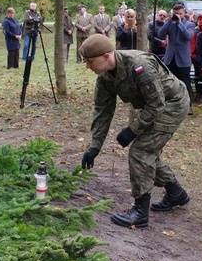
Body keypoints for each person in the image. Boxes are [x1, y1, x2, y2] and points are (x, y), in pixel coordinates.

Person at [78, 35, 191, 229]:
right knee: (148, 154)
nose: (88, 67)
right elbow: (102, 111)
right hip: (155, 106)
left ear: (106, 56)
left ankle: (140, 212)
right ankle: (175, 193)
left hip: (173, 104)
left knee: (141, 152)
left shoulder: (140, 65)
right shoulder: (105, 77)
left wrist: (133, 130)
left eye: (90, 61)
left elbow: (157, 103)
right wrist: (95, 146)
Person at [158, 2, 195, 114]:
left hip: (183, 59)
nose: (177, 15)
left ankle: (188, 105)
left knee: (185, 82)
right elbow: (160, 35)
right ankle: (170, 103)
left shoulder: (189, 24)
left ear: (184, 13)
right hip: (170, 57)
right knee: (169, 82)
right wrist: (169, 22)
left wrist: (179, 23)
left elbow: (188, 36)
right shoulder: (170, 23)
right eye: (175, 13)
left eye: (180, 13)